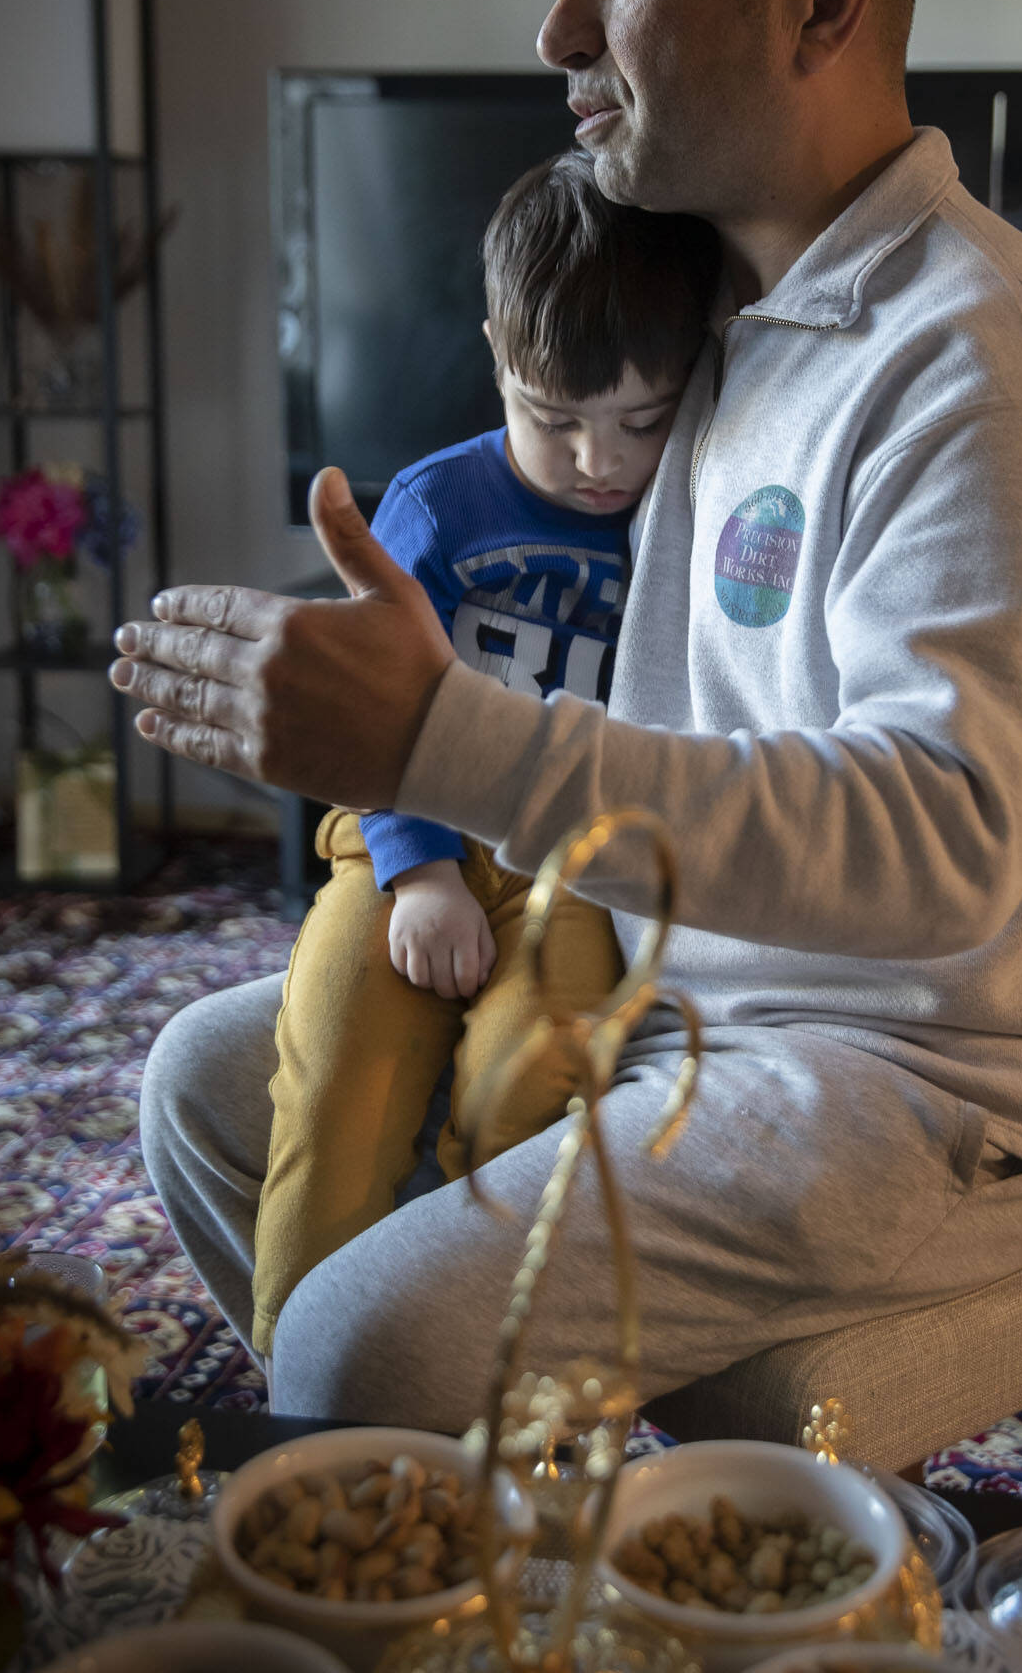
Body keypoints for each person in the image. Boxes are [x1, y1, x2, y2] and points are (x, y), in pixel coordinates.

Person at [118, 0, 1022, 1433]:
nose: (553, 28)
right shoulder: (728, 332)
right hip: (685, 987)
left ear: (820, 0)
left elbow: (948, 841)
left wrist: (443, 738)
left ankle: (431, 1510)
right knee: (199, 1082)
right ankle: (488, 1542)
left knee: (352, 1348)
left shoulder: (988, 363)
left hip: (920, 1075)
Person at [250, 149, 718, 1357]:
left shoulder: (687, 516)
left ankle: (458, 1363)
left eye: (641, 423)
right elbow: (365, 707)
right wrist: (416, 871)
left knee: (531, 1081)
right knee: (336, 1078)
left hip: (577, 860)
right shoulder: (437, 503)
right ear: (497, 358)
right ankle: (296, 1400)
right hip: (415, 829)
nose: (597, 461)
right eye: (552, 419)